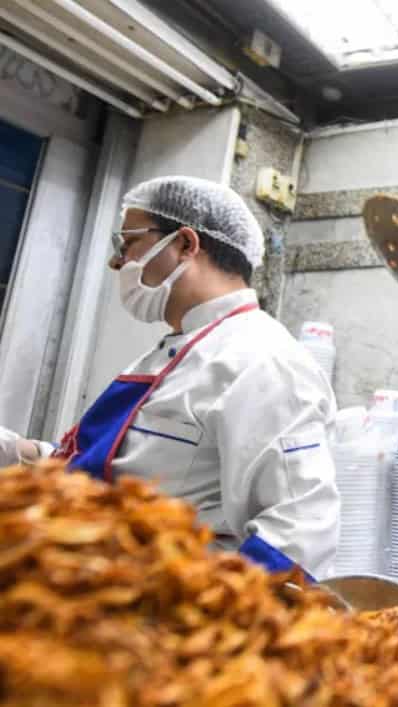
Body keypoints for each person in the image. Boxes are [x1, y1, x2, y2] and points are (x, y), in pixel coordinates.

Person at [0, 176, 339, 578]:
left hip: (157, 617)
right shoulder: (169, 354)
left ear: (184, 245)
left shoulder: (264, 361)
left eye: (128, 242)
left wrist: (201, 618)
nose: (117, 261)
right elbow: (111, 469)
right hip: (92, 591)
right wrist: (18, 452)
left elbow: (299, 531)